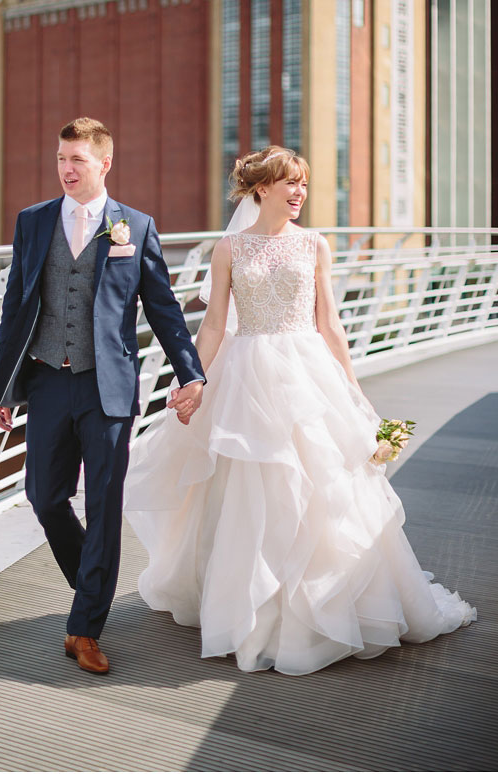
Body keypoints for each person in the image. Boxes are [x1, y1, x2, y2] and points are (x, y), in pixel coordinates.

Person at [123, 145, 474, 675]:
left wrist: (355, 392)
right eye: (288, 183)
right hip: (245, 373)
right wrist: (193, 380)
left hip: (307, 371)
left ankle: (322, 604)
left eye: (303, 185)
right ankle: (249, 605)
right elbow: (215, 324)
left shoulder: (315, 244)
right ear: (260, 188)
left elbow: (329, 321)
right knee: (246, 489)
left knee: (319, 487)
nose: (298, 193)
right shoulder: (230, 249)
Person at [0, 117, 206, 675]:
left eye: (77, 159)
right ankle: (95, 582)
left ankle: (85, 627)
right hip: (46, 380)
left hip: (107, 386)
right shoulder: (33, 222)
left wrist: (191, 373)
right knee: (45, 498)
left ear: (104, 164)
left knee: (104, 506)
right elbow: (16, 304)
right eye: (61, 158)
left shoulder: (135, 226)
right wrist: (1, 385)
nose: (66, 168)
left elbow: (163, 308)